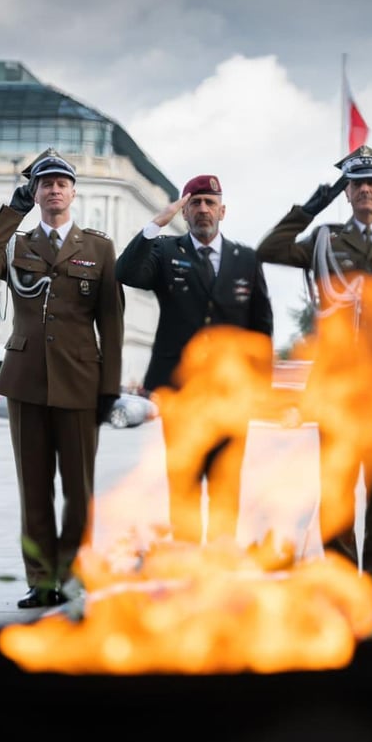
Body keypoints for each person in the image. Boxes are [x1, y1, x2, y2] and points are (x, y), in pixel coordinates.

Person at [257, 145, 372, 591]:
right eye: (356, 184)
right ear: (347, 191)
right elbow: (269, 248)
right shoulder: (324, 238)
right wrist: (317, 201)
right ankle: (339, 580)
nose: (365, 191)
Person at [0, 148, 124, 609]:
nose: (54, 189)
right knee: (34, 487)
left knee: (79, 490)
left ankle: (74, 574)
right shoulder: (16, 244)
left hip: (80, 381)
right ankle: (41, 580)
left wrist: (109, 388)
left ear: (73, 192)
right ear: (34, 192)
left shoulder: (98, 247)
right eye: (44, 183)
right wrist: (12, 211)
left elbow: (111, 322)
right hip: (27, 380)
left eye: (61, 183)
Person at [115, 174, 273, 545]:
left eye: (209, 202)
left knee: (226, 484)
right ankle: (186, 566)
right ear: (184, 211)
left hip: (231, 395)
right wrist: (157, 223)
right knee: (183, 483)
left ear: (223, 210)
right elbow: (126, 272)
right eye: (195, 203)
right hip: (180, 392)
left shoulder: (245, 259)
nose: (203, 209)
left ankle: (219, 569)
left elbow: (261, 328)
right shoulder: (166, 251)